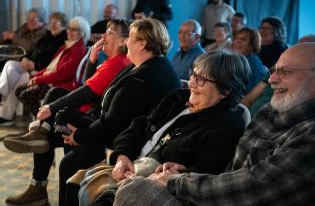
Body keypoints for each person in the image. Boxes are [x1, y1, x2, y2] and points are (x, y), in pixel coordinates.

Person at [114, 42, 315, 206]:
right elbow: (233, 170)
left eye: (285, 72)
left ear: (225, 90)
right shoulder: (269, 111)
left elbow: (256, 185)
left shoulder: (307, 132)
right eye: (273, 70)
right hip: (183, 182)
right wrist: (182, 172)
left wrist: (179, 180)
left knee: (133, 190)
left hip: (210, 195)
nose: (271, 79)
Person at [4, 18, 180, 206]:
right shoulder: (138, 67)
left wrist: (79, 136)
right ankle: (38, 175)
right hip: (113, 127)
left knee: (67, 159)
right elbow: (101, 97)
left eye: (130, 38)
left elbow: (112, 121)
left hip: (123, 139)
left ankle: (43, 167)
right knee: (57, 126)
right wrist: (91, 61)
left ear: (142, 43)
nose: (127, 42)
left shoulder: (143, 77)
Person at [69, 49, 250, 206]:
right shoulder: (178, 99)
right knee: (72, 176)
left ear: (225, 90)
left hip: (155, 183)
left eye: (201, 79)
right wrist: (122, 155)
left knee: (101, 198)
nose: (192, 83)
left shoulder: (226, 126)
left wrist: (151, 176)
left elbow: (204, 177)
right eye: (193, 74)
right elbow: (139, 125)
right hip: (131, 162)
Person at [12, 16, 89, 118]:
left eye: (74, 30)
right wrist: (35, 77)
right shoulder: (65, 46)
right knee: (19, 90)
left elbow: (63, 74)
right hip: (54, 80)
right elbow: (49, 68)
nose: (69, 31)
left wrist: (37, 80)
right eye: (69, 28)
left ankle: (42, 120)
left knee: (25, 94)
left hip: (63, 84)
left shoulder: (78, 49)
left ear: (82, 33)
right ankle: (44, 120)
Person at [0, 12, 67, 126]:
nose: (53, 25)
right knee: (10, 64)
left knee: (17, 80)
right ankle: (1, 92)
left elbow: (54, 63)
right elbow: (33, 51)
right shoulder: (47, 35)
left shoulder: (62, 40)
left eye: (56, 23)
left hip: (40, 71)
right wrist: (24, 58)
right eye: (51, 22)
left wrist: (35, 66)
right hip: (29, 65)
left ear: (64, 25)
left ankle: (6, 115)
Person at [232, 27, 268, 93]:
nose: (237, 41)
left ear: (252, 44)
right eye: (235, 38)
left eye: (243, 39)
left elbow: (248, 97)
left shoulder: (254, 65)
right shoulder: (239, 61)